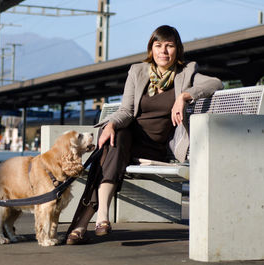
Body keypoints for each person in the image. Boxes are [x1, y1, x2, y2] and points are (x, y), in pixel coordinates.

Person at [66, 25, 223, 245]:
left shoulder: (186, 72)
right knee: (114, 137)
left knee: (109, 153)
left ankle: (83, 223)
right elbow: (127, 111)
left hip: (156, 147)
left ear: (177, 49)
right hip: (130, 139)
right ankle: (102, 215)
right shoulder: (138, 71)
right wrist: (110, 124)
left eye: (169, 46)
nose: (164, 51)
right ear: (151, 48)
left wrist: (184, 97)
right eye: (158, 46)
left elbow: (215, 83)